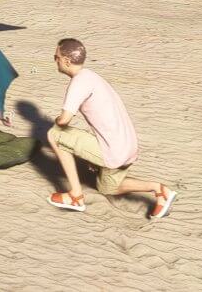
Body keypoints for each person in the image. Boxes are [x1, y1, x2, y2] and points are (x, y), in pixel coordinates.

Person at [44, 37, 175, 219]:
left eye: (56, 57)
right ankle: (159, 190)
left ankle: (75, 196)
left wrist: (57, 120)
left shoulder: (78, 83)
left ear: (66, 61)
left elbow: (64, 120)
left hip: (113, 150)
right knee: (107, 188)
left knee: (54, 134)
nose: (55, 61)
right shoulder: (91, 76)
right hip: (128, 147)